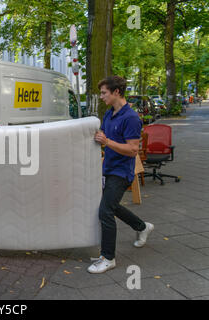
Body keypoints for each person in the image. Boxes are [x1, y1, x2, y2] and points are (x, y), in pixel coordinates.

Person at [88, 76, 154, 274]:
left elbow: (133, 150)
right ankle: (142, 227)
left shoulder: (131, 117)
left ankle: (108, 258)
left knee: (105, 211)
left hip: (121, 172)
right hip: (107, 168)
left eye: (103, 93)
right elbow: (103, 138)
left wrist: (107, 142)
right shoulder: (109, 114)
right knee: (112, 206)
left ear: (116, 92)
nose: (101, 97)